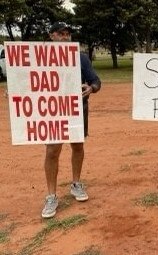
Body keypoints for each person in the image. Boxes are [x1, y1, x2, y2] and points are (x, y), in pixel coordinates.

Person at [41, 22, 101, 218]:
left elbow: (96, 81)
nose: (65, 37)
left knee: (77, 146)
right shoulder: (38, 57)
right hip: (51, 112)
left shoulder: (81, 58)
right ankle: (51, 195)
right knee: (52, 150)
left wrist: (91, 88)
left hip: (76, 110)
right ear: (51, 35)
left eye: (68, 34)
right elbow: (27, 81)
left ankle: (76, 184)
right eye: (61, 33)